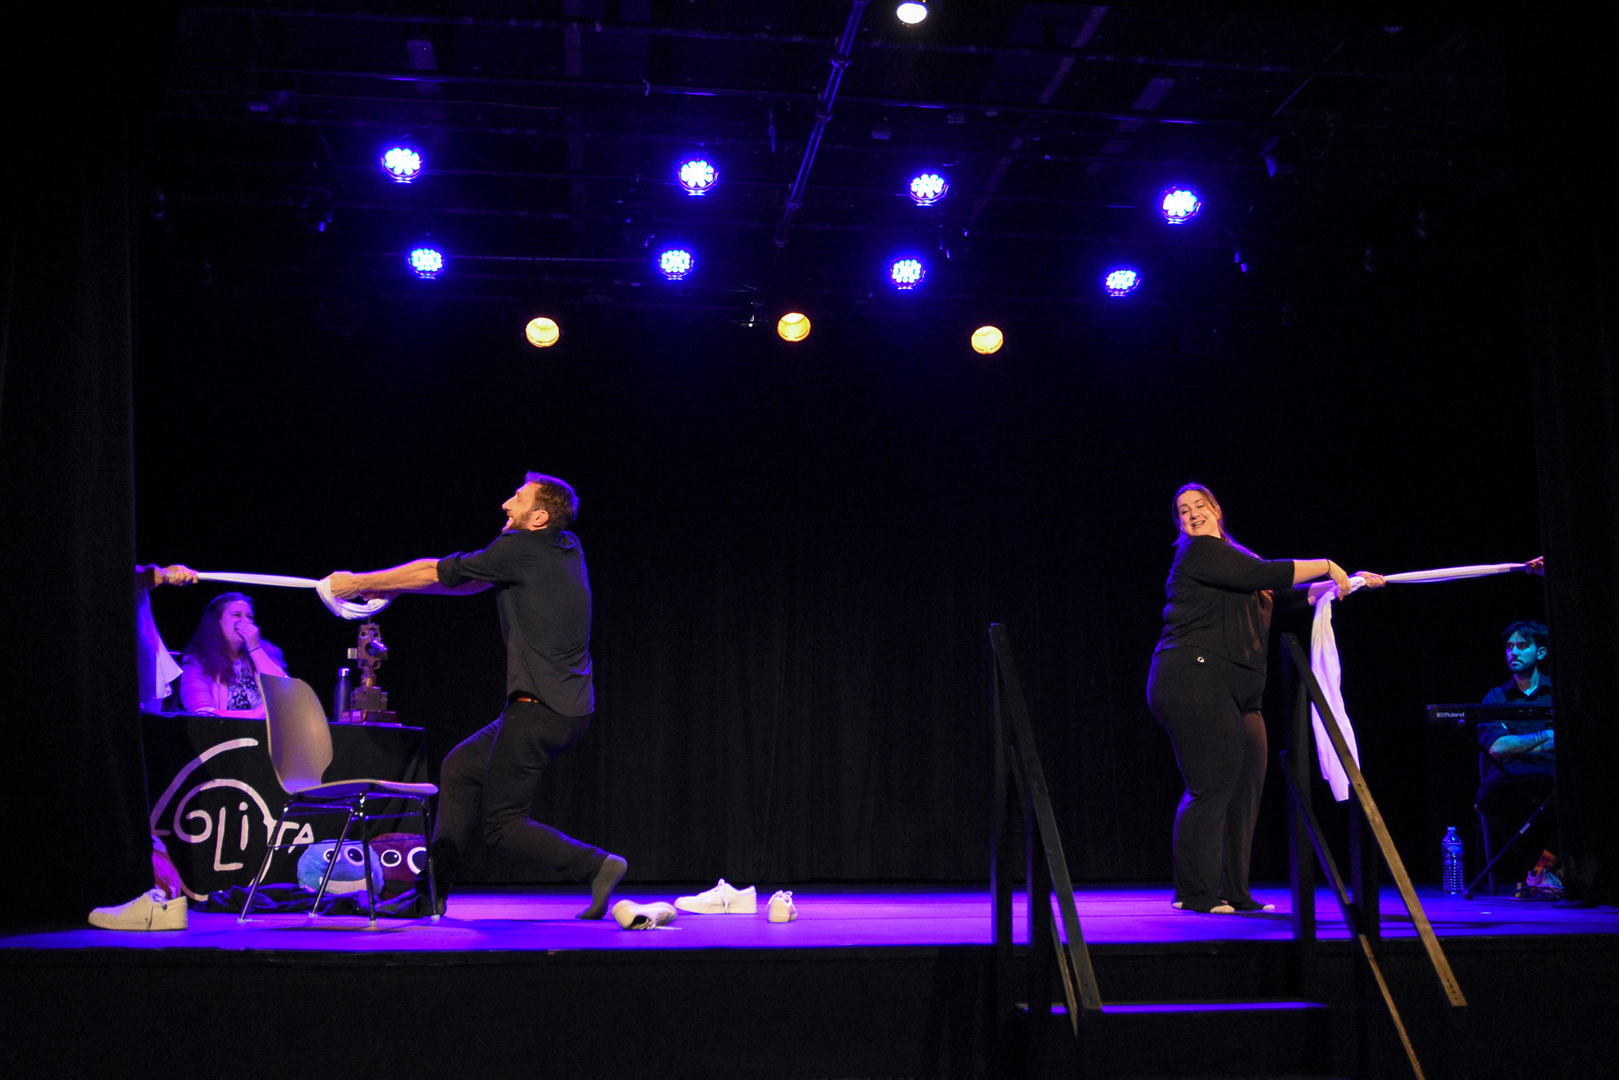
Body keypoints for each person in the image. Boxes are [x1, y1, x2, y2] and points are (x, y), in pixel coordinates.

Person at [328, 472, 626, 920]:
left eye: (518, 499)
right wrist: (389, 586)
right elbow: (470, 580)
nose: (506, 504)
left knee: (503, 826)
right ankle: (431, 894)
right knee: (461, 767)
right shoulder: (564, 546)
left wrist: (356, 582)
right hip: (563, 708)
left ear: (538, 518)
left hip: (540, 709)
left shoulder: (521, 548)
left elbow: (435, 570)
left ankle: (596, 865)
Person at [1146, 483, 1385, 914]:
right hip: (1192, 676)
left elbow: (1286, 594)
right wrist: (1328, 565)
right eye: (1183, 511)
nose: (1193, 514)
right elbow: (1268, 574)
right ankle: (1195, 892)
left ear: (1217, 510)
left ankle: (1235, 891)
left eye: (1200, 505)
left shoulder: (1238, 559)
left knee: (1246, 787)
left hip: (1240, 687)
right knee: (1211, 784)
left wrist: (1347, 583)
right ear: (1180, 524)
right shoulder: (1198, 553)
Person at [89, 563, 199, 930]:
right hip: (123, 663)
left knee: (130, 782)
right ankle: (151, 891)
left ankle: (148, 893)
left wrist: (159, 574)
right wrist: (161, 574)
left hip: (126, 668)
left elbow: (118, 570)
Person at [1476, 620, 1557, 892]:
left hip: (1552, 772)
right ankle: (1543, 868)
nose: (1513, 652)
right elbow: (1498, 748)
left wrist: (1518, 743)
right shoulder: (1496, 697)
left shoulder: (1557, 691)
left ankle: (1545, 869)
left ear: (1541, 652)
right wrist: (1544, 737)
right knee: (1488, 795)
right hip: (1511, 775)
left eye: (1522, 646)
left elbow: (1564, 742)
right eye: (1510, 646)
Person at [179, 592, 288, 718]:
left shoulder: (266, 651)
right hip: (225, 730)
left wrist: (255, 649)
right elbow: (201, 713)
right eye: (236, 615)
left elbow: (286, 692)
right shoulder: (197, 661)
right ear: (217, 622)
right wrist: (254, 715)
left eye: (249, 617)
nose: (246, 621)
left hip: (268, 730)